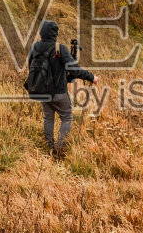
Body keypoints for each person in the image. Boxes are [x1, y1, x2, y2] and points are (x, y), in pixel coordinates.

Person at [25, 19, 95, 157]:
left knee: (48, 118)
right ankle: (59, 149)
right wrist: (91, 77)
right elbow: (74, 69)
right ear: (55, 33)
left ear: (41, 32)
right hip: (58, 92)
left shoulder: (35, 47)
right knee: (67, 117)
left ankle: (49, 147)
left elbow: (30, 66)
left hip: (42, 91)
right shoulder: (59, 48)